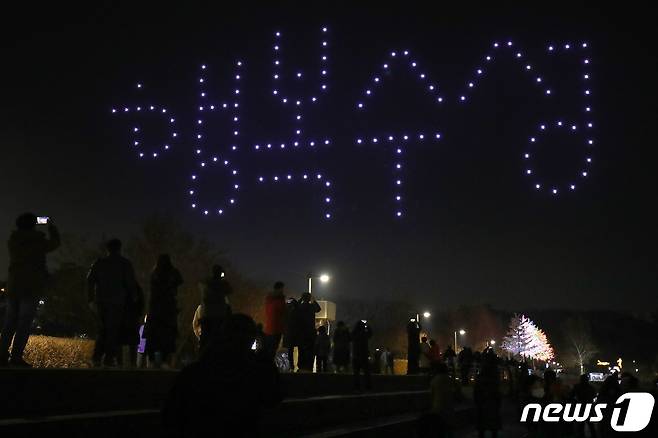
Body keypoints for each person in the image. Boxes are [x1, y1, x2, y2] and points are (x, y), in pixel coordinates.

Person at [163, 313, 282, 438]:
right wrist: (264, 355)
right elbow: (273, 397)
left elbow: (171, 416)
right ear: (251, 340)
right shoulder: (254, 373)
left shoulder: (195, 372)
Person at [0, 213, 60, 367]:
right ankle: (16, 357)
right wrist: (51, 226)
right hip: (31, 286)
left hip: (14, 285)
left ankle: (1, 354)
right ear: (33, 224)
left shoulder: (13, 240)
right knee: (24, 323)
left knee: (9, 322)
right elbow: (54, 243)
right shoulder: (37, 241)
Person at [87, 238, 141, 368]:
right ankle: (108, 358)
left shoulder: (99, 263)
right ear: (119, 248)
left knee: (103, 329)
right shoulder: (125, 264)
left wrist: (90, 299)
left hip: (101, 301)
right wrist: (134, 299)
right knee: (113, 330)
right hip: (117, 302)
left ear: (107, 249)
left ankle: (97, 357)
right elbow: (130, 283)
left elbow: (90, 281)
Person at [144, 255, 183, 368]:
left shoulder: (155, 273)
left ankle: (152, 360)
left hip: (156, 309)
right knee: (166, 335)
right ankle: (164, 360)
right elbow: (179, 282)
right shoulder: (172, 273)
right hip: (167, 309)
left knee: (154, 336)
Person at [198, 265, 232, 353]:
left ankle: (203, 356)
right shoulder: (222, 284)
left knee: (205, 338)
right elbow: (230, 290)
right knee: (217, 338)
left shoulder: (205, 283)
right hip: (219, 315)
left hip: (206, 314)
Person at [417, 362, 455, 437]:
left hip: (438, 410)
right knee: (449, 429)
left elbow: (431, 396)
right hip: (449, 409)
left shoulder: (435, 380)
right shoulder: (450, 380)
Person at [473, 356, 502, 438]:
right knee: (493, 427)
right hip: (492, 402)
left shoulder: (480, 378)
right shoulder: (495, 378)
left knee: (482, 426)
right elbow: (497, 392)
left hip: (482, 403)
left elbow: (476, 391)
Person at [294, 292, 321, 372]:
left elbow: (295, 307)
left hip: (301, 332)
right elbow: (318, 309)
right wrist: (314, 300)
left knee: (301, 350)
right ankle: (309, 366)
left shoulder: (300, 307)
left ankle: (301, 365)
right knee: (310, 350)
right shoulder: (311, 307)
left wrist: (300, 299)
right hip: (310, 332)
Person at [264, 281, 287, 360]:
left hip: (269, 328)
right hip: (276, 328)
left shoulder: (269, 299)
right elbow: (282, 310)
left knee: (269, 350)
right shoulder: (278, 300)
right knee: (272, 350)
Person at [571, 374, 597, 438]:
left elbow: (571, 395)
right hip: (589, 406)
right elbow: (594, 395)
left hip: (580, 407)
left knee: (580, 426)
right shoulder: (591, 387)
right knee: (591, 425)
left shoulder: (577, 387)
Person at [352, 319, 372, 390]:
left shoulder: (355, 334)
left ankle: (356, 386)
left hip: (356, 355)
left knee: (356, 373)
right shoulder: (364, 334)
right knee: (366, 372)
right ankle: (367, 385)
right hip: (364, 355)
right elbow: (370, 334)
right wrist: (367, 326)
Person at [282, 296, 298, 372]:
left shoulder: (285, 310)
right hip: (294, 333)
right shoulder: (296, 310)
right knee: (293, 350)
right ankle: (293, 366)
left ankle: (290, 366)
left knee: (289, 350)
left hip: (287, 333)